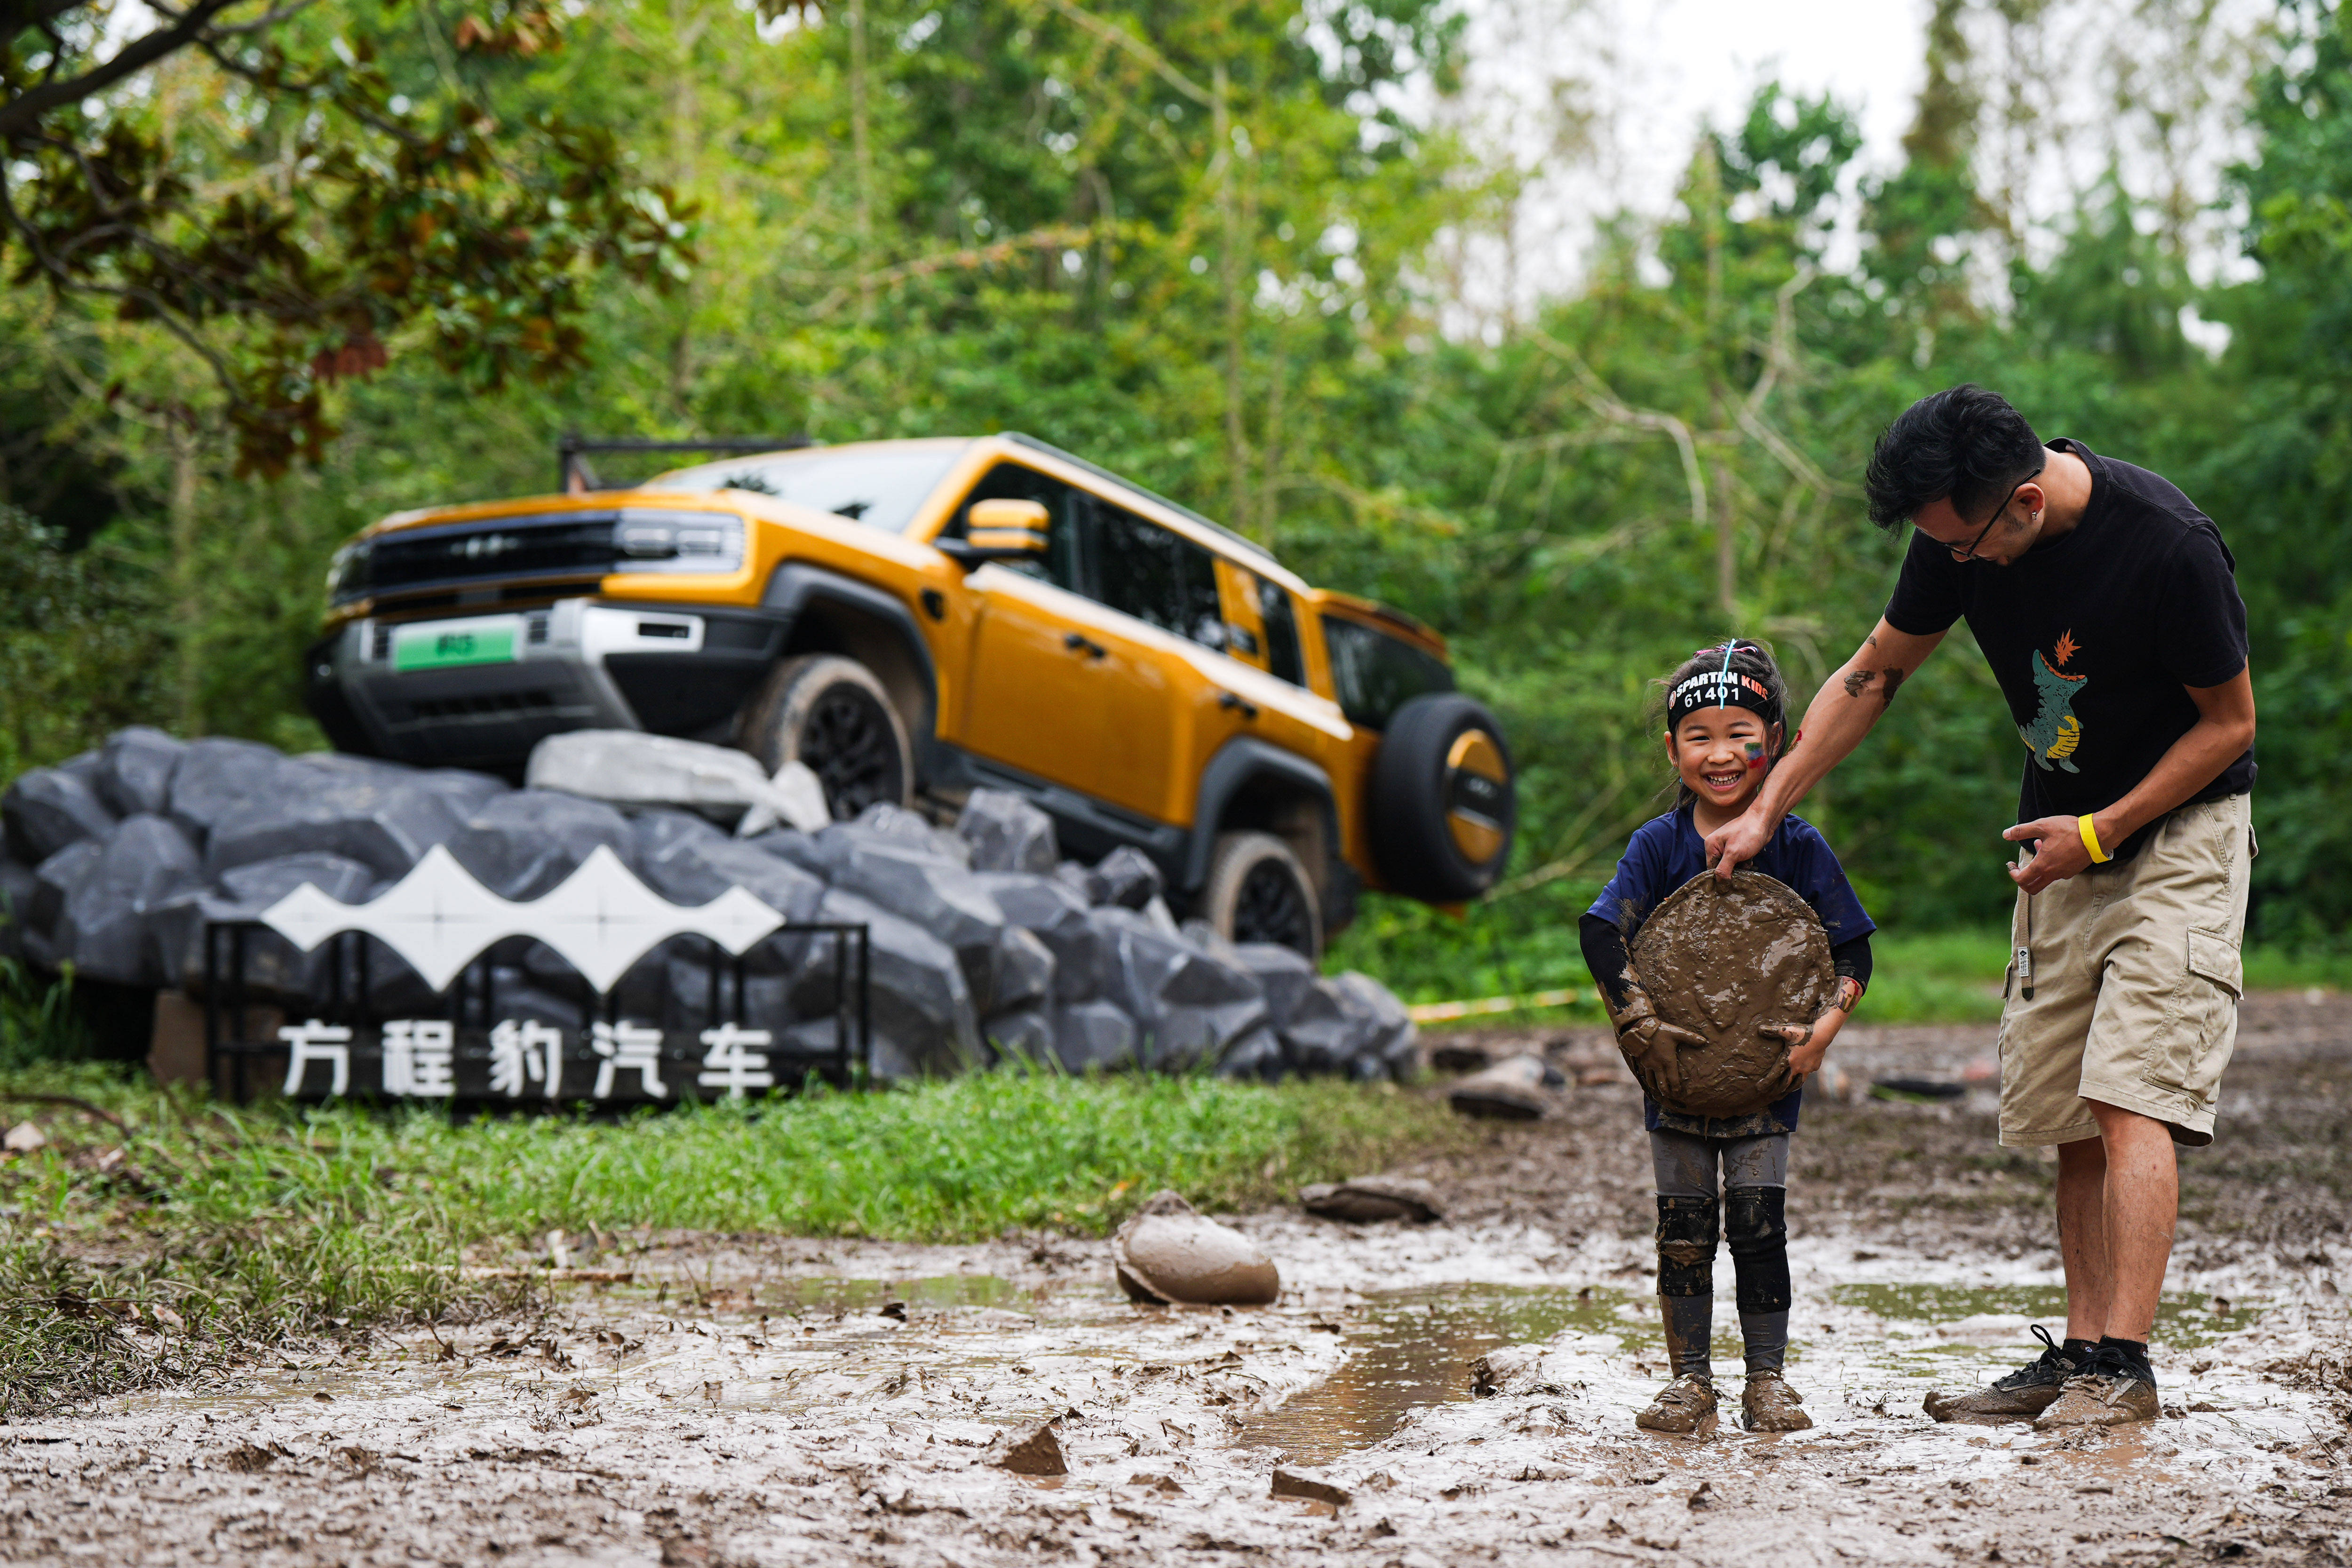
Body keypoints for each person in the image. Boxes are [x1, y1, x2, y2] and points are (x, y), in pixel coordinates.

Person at [1703, 385, 2257, 1430]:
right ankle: (2080, 1351)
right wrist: (1767, 808)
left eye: (1963, 544)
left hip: (2177, 833)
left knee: (2131, 1088)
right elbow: (1874, 672)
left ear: (2025, 502)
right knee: (2069, 1113)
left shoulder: (2169, 547)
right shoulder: (1954, 537)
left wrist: (2102, 830)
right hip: (2057, 843)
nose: (1951, 564)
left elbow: (2230, 725)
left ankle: (2123, 1371)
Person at [1581, 639, 1875, 1435]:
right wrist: (1638, 1023)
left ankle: (1767, 1381)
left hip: (1770, 1075)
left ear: (1774, 742)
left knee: (1757, 1221)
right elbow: (1602, 931)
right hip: (1672, 1078)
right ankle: (1690, 1382)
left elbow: (1854, 951)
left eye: (1740, 732)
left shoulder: (1798, 844)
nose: (1720, 753)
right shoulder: (1657, 846)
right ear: (1672, 748)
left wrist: (1821, 1034)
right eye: (1698, 736)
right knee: (1682, 1228)